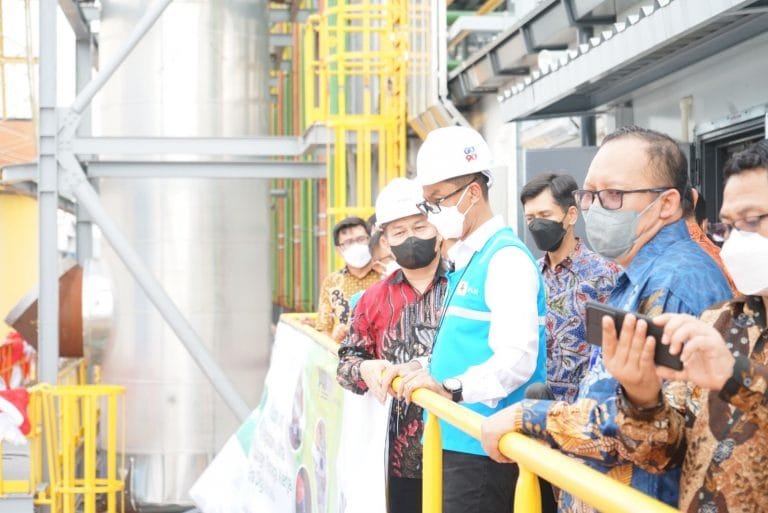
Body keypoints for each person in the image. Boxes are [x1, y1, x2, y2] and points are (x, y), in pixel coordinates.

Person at [480, 126, 732, 512]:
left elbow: (648, 431)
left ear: (666, 203)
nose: (595, 209)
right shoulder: (641, 273)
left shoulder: (673, 284)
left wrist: (528, 416)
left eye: (613, 195)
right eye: (589, 195)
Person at [608, 139, 768, 512]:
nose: (737, 241)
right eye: (730, 226)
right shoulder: (720, 322)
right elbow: (663, 454)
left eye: (752, 221)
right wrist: (642, 398)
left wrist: (736, 378)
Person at [396, 126, 547, 513]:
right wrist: (422, 367)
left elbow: (517, 358)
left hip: (485, 448)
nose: (432, 212)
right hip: (457, 438)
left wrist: (451, 388)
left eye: (438, 200)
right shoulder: (468, 259)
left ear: (473, 193)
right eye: (428, 202)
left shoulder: (506, 259)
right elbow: (467, 342)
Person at [337, 177, 448, 513]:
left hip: (462, 454)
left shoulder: (465, 286)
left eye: (420, 226)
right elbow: (346, 363)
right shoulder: (372, 299)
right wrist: (364, 367)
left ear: (438, 228)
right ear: (384, 241)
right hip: (399, 461)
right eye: (399, 232)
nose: (411, 237)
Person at [521, 173, 621, 402]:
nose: (537, 224)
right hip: (531, 407)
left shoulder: (605, 276)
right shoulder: (528, 275)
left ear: (571, 215)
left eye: (545, 215)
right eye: (530, 218)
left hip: (582, 412)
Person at [316, 216, 380, 341]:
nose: (356, 245)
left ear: (370, 240)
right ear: (338, 250)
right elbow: (323, 329)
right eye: (348, 242)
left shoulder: (386, 275)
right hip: (343, 350)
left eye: (361, 239)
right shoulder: (331, 282)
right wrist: (335, 337)